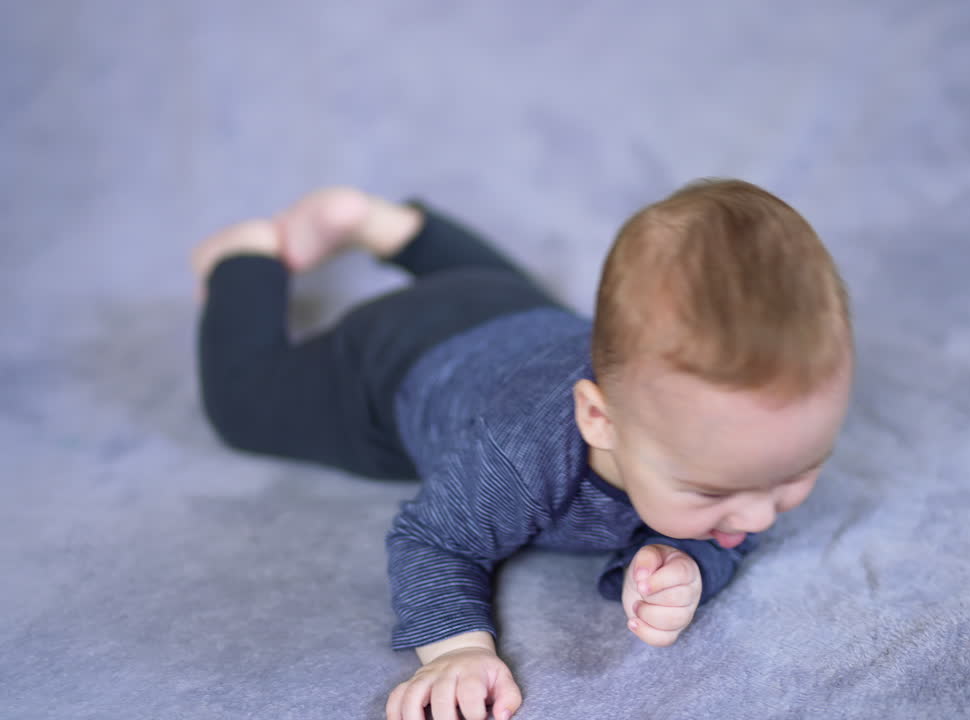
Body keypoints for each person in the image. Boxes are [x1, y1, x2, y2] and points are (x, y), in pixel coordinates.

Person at [192, 179, 855, 720]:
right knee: (246, 408)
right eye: (713, 491)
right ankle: (244, 259)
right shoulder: (518, 457)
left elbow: (731, 527)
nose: (761, 515)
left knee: (501, 291)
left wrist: (686, 559)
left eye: (798, 471)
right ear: (598, 420)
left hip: (508, 310)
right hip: (395, 357)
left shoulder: (689, 421)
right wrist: (457, 652)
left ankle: (382, 224)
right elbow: (433, 541)